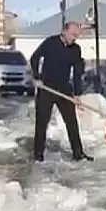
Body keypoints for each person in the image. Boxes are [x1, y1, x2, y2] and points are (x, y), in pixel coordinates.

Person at [30, 21, 93, 162]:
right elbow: (34, 58)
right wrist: (37, 77)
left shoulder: (75, 49)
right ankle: (38, 155)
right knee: (42, 123)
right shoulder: (50, 43)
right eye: (72, 34)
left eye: (77, 35)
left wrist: (77, 94)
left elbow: (77, 72)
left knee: (72, 122)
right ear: (64, 31)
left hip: (64, 89)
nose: (74, 38)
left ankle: (78, 153)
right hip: (46, 87)